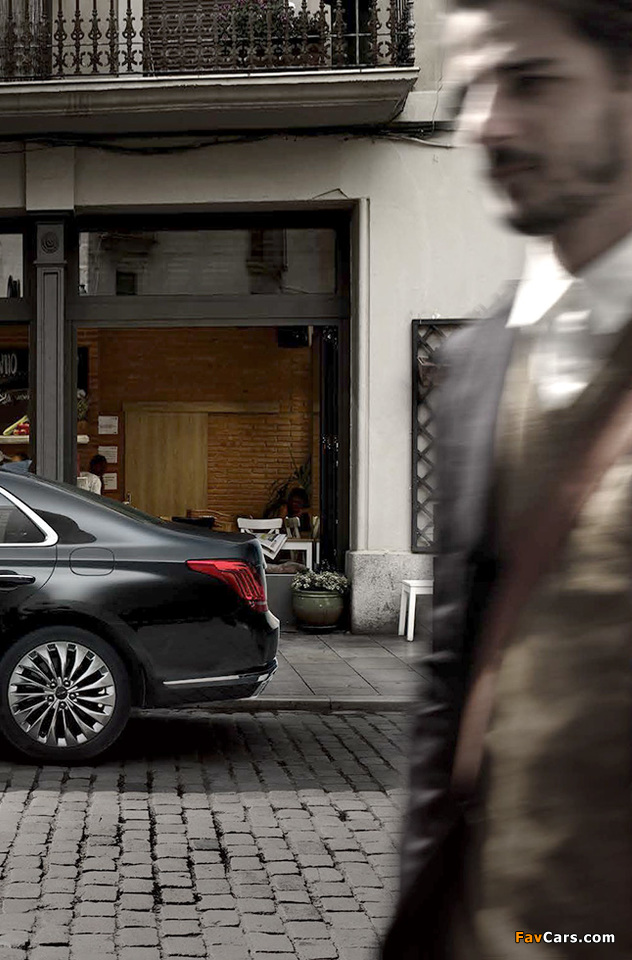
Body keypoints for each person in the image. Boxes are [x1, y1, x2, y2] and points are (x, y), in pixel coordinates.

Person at [384, 0, 632, 956]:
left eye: (530, 82)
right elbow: (449, 684)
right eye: (472, 92)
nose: (487, 125)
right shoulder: (479, 362)